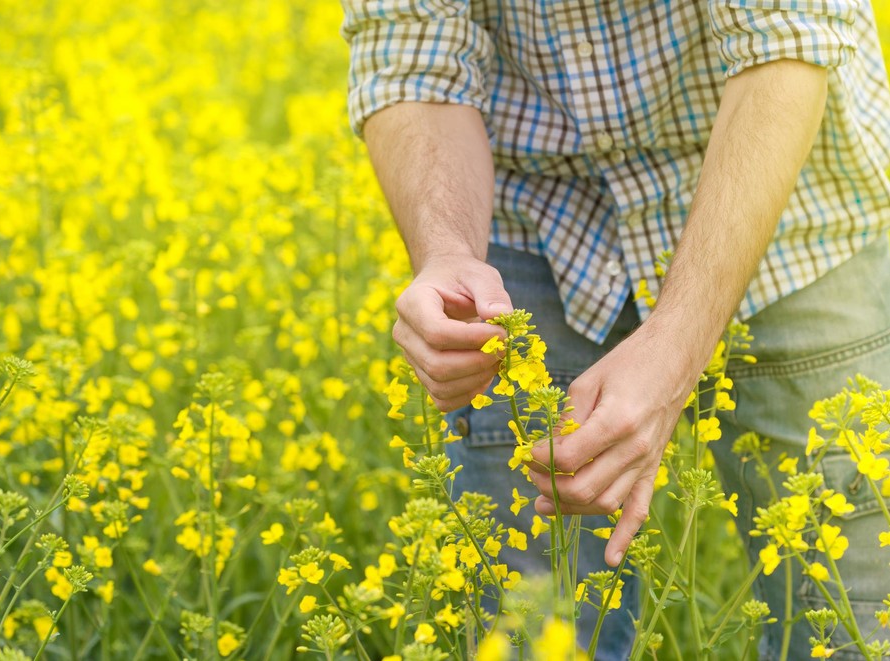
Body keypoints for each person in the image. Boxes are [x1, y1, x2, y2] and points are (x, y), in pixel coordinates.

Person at [340, 0, 890, 657]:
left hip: (785, 216)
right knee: (531, 631)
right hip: (529, 219)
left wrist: (675, 348)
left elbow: (781, 42)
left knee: (854, 624)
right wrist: (448, 254)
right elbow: (411, 53)